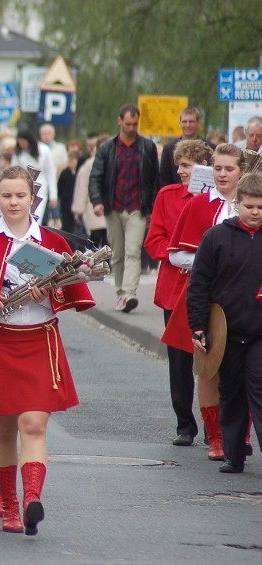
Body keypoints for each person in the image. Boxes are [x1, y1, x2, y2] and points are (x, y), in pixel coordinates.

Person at [0, 166, 95, 536]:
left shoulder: (52, 243)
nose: (13, 202)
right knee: (1, 429)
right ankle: (7, 502)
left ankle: (32, 500)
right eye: (6, 196)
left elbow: (69, 292)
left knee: (34, 424)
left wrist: (52, 290)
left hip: (40, 339)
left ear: (32, 199)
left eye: (20, 195)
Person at [162, 143, 246, 461]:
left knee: (244, 369)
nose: (223, 175)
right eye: (218, 169)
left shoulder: (251, 203)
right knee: (208, 369)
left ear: (242, 172)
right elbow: (176, 253)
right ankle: (216, 438)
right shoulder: (199, 205)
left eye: (229, 169)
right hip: (206, 295)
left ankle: (239, 434)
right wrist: (209, 259)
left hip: (244, 297)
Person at [187, 172, 262, 473]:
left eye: (261, 207)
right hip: (226, 330)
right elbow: (199, 284)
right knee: (230, 392)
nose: (256, 212)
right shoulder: (216, 237)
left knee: (258, 386)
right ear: (237, 204)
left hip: (259, 333)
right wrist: (198, 326)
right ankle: (233, 454)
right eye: (250, 206)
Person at [144, 140, 213, 447]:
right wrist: (173, 255)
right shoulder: (167, 195)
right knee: (180, 359)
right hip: (176, 286)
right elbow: (153, 239)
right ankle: (184, 423)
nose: (181, 171)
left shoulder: (216, 200)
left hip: (212, 289)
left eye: (188, 166)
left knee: (214, 359)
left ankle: (217, 427)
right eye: (180, 165)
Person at [88, 103, 159, 313]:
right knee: (118, 253)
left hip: (138, 207)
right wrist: (97, 201)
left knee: (133, 251)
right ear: (120, 121)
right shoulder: (107, 148)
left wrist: (153, 206)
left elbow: (154, 179)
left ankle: (130, 293)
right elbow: (96, 177)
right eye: (128, 123)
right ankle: (120, 293)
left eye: (135, 124)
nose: (131, 127)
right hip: (113, 207)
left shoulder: (147, 147)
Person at [158, 107, 213, 189]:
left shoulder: (209, 147)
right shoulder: (169, 149)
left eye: (191, 122)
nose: (187, 125)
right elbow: (164, 178)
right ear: (179, 123)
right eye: (184, 122)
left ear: (198, 123)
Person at [11, 129, 57, 224]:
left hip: (40, 190)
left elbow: (51, 173)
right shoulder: (18, 154)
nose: (22, 145)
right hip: (23, 189)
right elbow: (13, 171)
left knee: (37, 219)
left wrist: (53, 195)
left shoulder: (44, 150)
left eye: (23, 143)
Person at [56, 148, 79, 233]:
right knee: (67, 226)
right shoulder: (65, 173)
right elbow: (59, 187)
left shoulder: (80, 172)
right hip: (66, 204)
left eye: (73, 160)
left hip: (76, 203)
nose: (71, 163)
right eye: (69, 160)